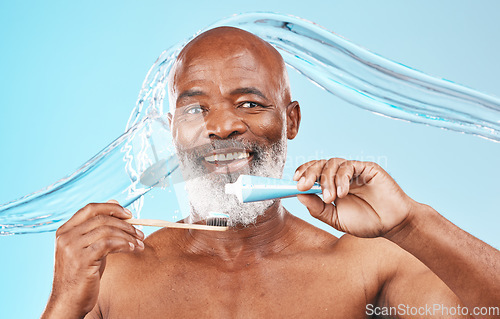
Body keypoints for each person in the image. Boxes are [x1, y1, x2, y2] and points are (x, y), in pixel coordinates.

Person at [41, 27, 499, 319]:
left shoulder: (363, 268)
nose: (222, 126)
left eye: (250, 104)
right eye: (197, 108)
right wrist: (61, 306)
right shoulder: (112, 277)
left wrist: (410, 223)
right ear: (173, 131)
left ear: (292, 120)